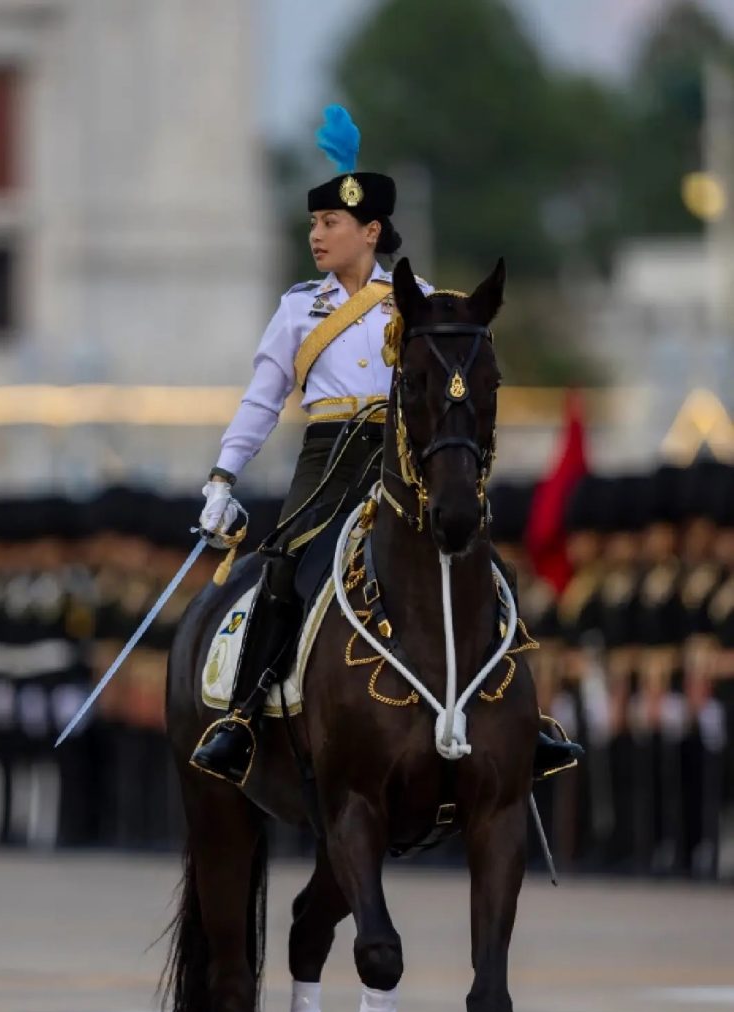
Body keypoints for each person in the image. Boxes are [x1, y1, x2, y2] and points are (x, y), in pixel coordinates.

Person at [191, 105, 579, 786]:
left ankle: (526, 719)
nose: (317, 235)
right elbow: (262, 398)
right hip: (327, 461)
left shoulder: (421, 300)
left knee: (489, 567)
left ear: (369, 231)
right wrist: (224, 476)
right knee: (284, 566)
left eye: (330, 223)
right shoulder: (295, 309)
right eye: (314, 222)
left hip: (407, 457)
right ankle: (245, 718)